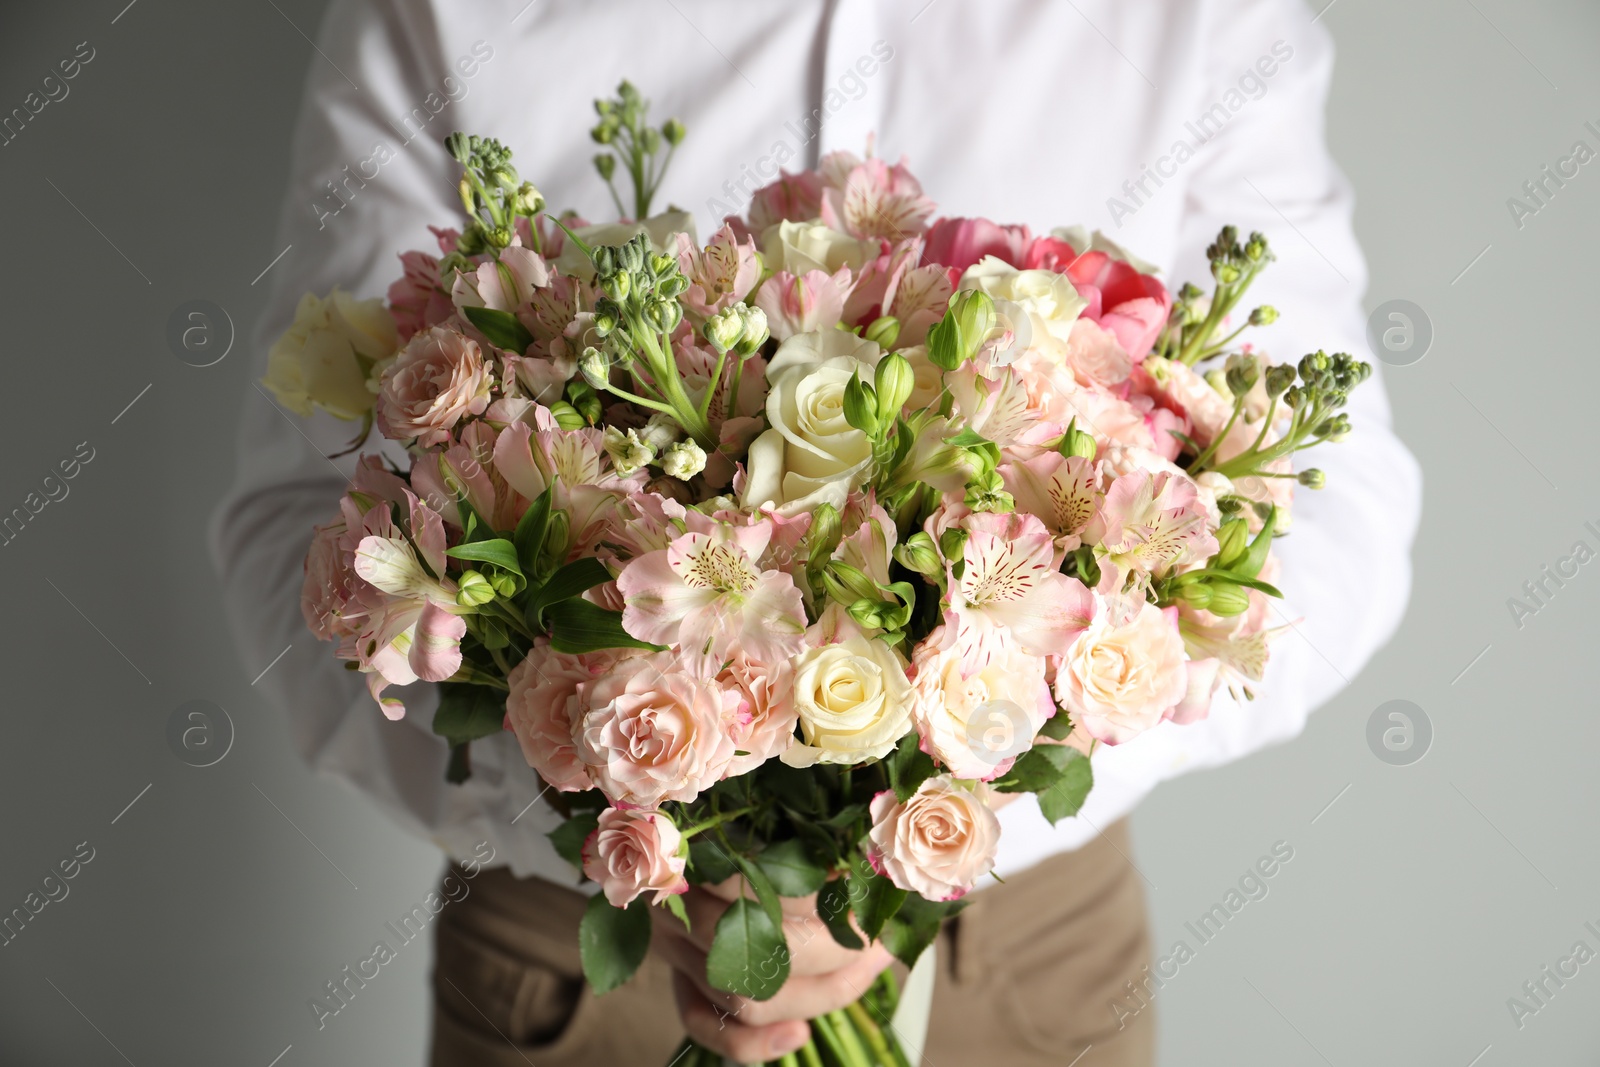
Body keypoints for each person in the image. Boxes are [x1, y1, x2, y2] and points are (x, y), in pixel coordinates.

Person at [211, 1, 1421, 1063]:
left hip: (1024, 956)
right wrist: (636, 815)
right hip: (591, 965)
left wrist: (953, 801)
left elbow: (1340, 514)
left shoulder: (1199, 16)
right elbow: (294, 533)